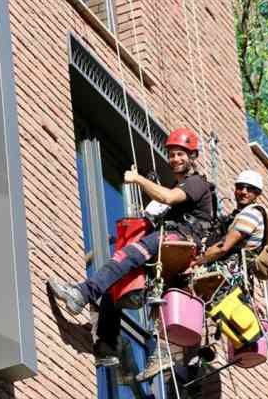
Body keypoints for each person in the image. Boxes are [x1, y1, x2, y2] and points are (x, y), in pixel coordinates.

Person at [49, 128, 214, 376]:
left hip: (179, 242)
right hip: (172, 245)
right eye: (171, 154)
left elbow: (168, 197)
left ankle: (81, 294)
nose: (175, 159)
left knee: (125, 256)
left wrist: (138, 180)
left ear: (192, 156)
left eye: (180, 154)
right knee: (118, 283)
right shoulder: (183, 186)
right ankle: (107, 346)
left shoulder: (197, 183)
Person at [190, 170, 265, 267]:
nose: (244, 192)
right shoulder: (238, 215)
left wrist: (196, 263)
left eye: (250, 189)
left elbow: (223, 247)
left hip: (228, 271)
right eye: (240, 187)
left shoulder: (251, 214)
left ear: (257, 194)